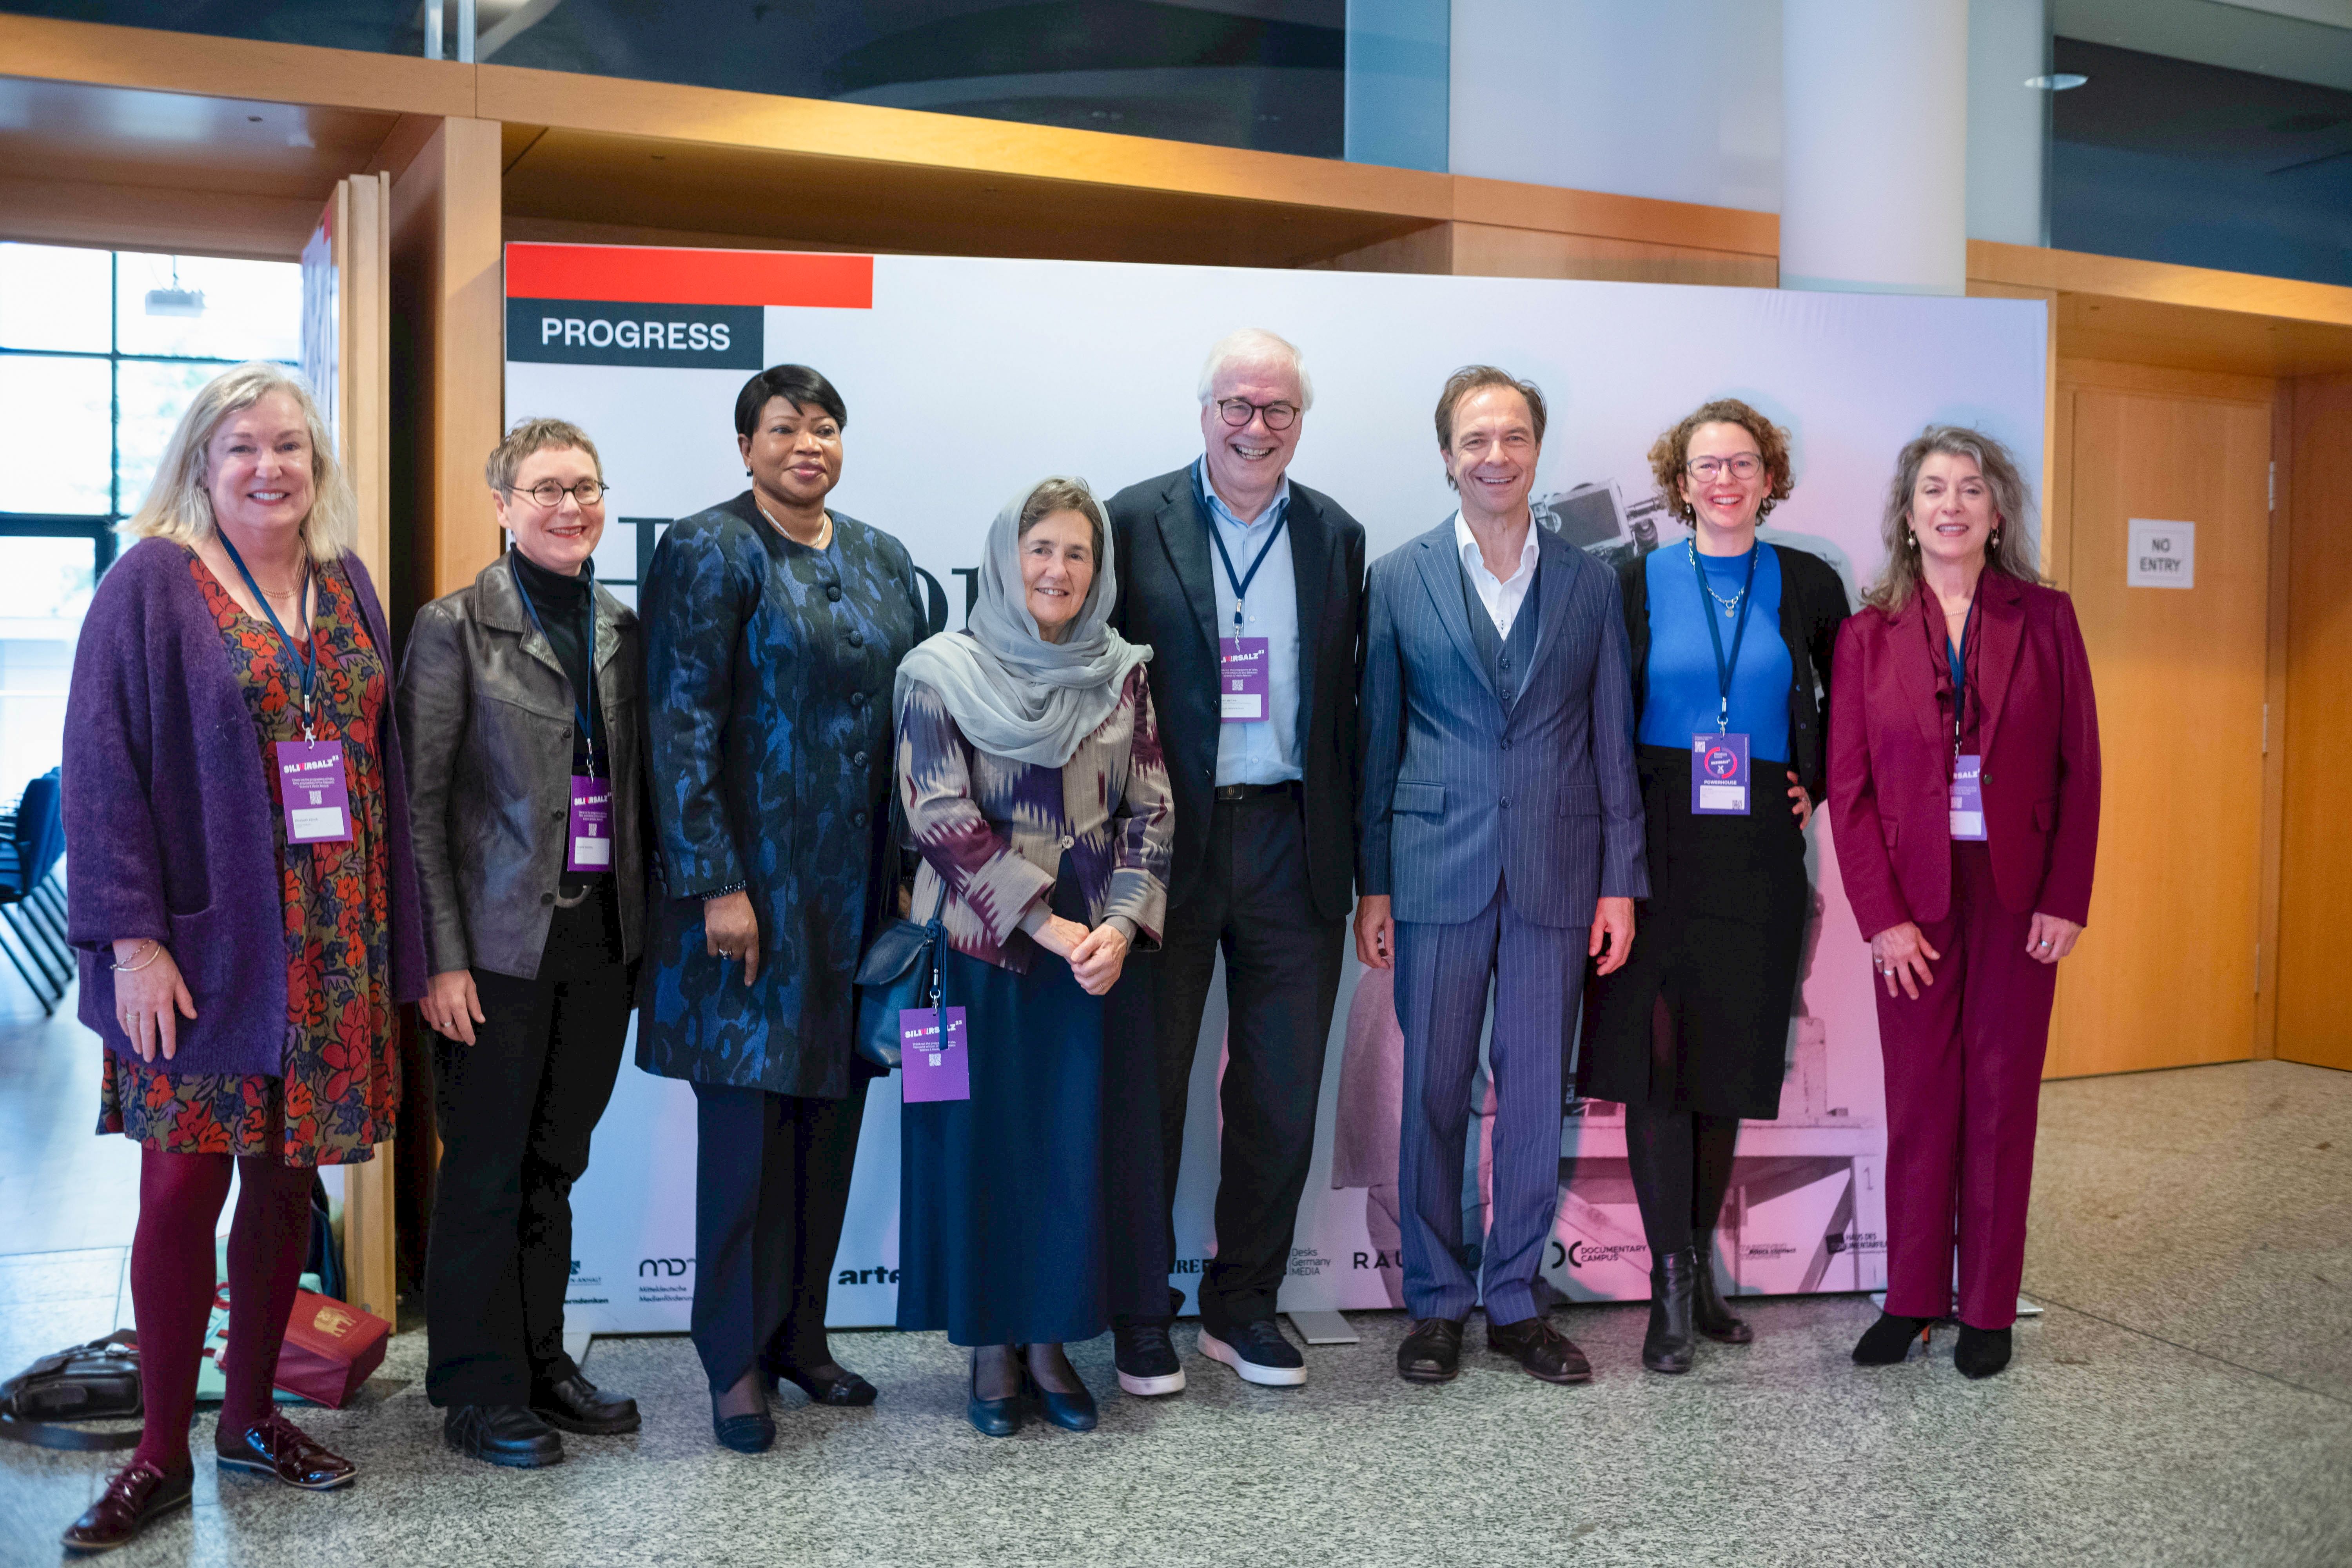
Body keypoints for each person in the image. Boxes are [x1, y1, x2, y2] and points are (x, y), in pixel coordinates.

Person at [60, 363, 425, 1552]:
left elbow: (380, 769)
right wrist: (130, 942)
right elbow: (101, 771)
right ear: (200, 467)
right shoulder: (149, 586)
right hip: (206, 950)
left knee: (286, 1184)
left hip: (333, 947)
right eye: (242, 450)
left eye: (290, 448)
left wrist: (402, 946)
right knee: (182, 1186)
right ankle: (160, 1450)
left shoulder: (347, 583)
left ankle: (253, 1417)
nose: (270, 468)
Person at [639, 365, 927, 1452]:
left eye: (826, 427)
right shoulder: (709, 551)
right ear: (746, 445)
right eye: (784, 428)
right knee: (748, 1137)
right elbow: (678, 722)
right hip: (750, 900)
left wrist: (909, 869)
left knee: (831, 1124)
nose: (808, 443)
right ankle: (733, 1367)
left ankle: (802, 1340)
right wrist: (716, 881)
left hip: (857, 896)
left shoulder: (882, 558)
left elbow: (912, 722)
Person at [1356, 365, 1646, 1387]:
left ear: (1537, 450)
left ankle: (1517, 1300)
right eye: (1475, 439)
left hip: (1559, 873)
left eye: (1513, 437)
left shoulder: (1590, 581)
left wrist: (1622, 880)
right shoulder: (1396, 578)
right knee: (1433, 1091)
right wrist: (1374, 887)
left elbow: (1612, 738)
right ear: (1446, 455)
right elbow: (1378, 740)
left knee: (1532, 1097)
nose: (1495, 455)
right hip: (1435, 868)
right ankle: (1436, 1302)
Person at [1101, 328, 1365, 1392]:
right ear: (1204, 411)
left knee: (1281, 1090)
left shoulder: (1335, 533)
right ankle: (1137, 1305)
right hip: (1165, 840)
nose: (1257, 428)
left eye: (1280, 411)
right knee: (1148, 1084)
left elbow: (1351, 705)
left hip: (1295, 839)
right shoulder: (1130, 520)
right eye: (1238, 407)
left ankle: (1243, 1303)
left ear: (1302, 422)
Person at [894, 476, 1172, 1437]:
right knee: (982, 1151)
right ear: (1007, 559)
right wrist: (1048, 925)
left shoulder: (1122, 668)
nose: (1058, 569)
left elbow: (1153, 807)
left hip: (1095, 960)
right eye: (1041, 548)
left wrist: (1124, 925)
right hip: (984, 952)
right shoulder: (939, 669)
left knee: (1069, 1154)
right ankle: (987, 1345)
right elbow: (939, 815)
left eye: (1077, 553)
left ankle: (1052, 1341)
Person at [1581, 399, 1851, 1373]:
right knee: (1658, 1067)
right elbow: (1601, 717)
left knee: (1727, 1064)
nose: (1724, 480)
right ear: (1679, 481)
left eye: (1742, 463)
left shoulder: (1812, 582)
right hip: (1655, 834)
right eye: (1705, 466)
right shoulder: (1629, 581)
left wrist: (1812, 780)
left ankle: (1704, 1268)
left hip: (1756, 851)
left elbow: (1844, 701)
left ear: (1768, 478)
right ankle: (1669, 1286)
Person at [1829, 425, 2099, 1379]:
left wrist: (2068, 896)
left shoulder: (2048, 617)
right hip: (1914, 900)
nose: (1952, 505)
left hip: (2019, 895)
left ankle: (1987, 1305)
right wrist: (1882, 917)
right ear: (1908, 515)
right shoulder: (1866, 635)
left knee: (2001, 1098)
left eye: (1971, 490)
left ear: (1996, 512)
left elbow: (2082, 767)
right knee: (1921, 1100)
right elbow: (1848, 788)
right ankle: (1910, 1299)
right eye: (1933, 489)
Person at [401, 418, 647, 1465]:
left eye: (584, 487)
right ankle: (475, 1387)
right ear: (502, 505)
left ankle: (543, 1361)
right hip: (493, 953)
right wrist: (441, 959)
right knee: (487, 1167)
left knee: (557, 1162)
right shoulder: (454, 626)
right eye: (544, 489)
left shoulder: (621, 629)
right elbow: (418, 808)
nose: (568, 506)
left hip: (600, 943)